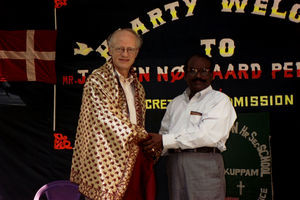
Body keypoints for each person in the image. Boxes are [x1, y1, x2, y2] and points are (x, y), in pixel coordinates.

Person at [70, 28, 160, 200]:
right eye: (119, 48)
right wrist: (145, 137)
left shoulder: (138, 86)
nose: (125, 53)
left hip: (132, 163)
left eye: (130, 49)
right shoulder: (97, 80)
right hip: (104, 166)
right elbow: (109, 119)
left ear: (137, 52)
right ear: (109, 50)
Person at [143, 53, 237, 200]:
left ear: (212, 75)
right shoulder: (176, 102)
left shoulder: (219, 100)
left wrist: (163, 141)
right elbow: (164, 133)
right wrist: (151, 149)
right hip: (174, 165)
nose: (197, 75)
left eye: (204, 71)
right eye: (192, 70)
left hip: (203, 162)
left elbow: (207, 135)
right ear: (185, 74)